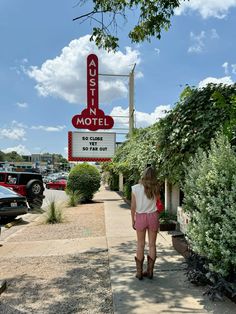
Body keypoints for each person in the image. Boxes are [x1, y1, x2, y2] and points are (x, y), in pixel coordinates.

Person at [131, 166, 160, 280]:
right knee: (152, 244)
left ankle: (139, 272)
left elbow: (133, 207)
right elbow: (158, 203)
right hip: (153, 216)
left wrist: (132, 220)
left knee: (140, 244)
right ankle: (150, 272)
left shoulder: (135, 188)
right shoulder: (156, 188)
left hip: (140, 216)